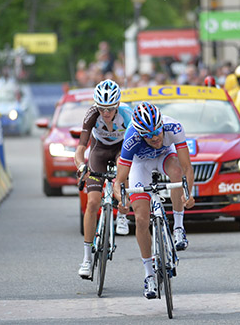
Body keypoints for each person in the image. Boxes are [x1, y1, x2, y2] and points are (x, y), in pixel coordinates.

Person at [114, 102, 194, 299]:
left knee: (176, 172)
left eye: (157, 131)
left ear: (161, 124)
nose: (155, 137)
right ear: (140, 134)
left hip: (165, 157)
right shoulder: (131, 138)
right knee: (141, 219)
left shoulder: (173, 127)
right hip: (140, 165)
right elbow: (119, 181)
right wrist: (121, 199)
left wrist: (188, 193)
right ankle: (149, 274)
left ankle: (178, 228)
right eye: (148, 135)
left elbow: (187, 168)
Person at [75, 79, 133, 279]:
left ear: (117, 105)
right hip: (99, 151)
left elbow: (134, 146)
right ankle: (86, 259)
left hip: (120, 149)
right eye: (101, 108)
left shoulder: (127, 115)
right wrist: (81, 165)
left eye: (109, 109)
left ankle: (123, 214)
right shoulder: (92, 114)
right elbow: (81, 148)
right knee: (92, 203)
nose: (105, 113)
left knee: (122, 169)